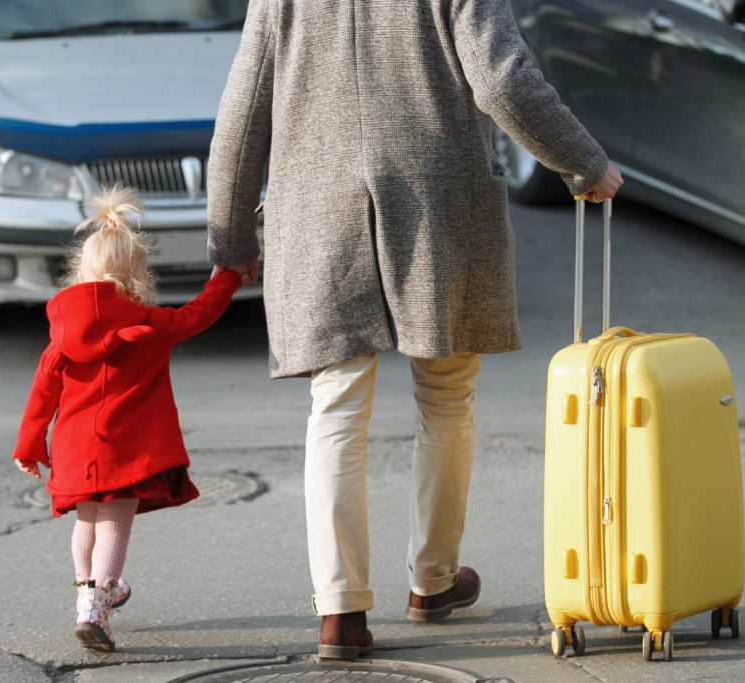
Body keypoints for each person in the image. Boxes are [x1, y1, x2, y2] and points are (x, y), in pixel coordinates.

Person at [206, 0, 623, 661]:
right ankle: (432, 580)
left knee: (336, 403)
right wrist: (584, 161)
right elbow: (502, 78)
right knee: (448, 391)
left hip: (318, 210)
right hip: (438, 202)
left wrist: (230, 232)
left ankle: (339, 610)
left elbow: (244, 103)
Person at [11, 186, 242, 652]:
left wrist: (30, 446)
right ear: (139, 274)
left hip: (75, 449)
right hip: (125, 448)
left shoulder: (61, 338)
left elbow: (42, 394)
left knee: (88, 521)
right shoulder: (150, 326)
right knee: (115, 522)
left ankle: (89, 594)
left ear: (81, 272)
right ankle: (98, 608)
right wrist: (228, 277)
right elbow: (200, 313)